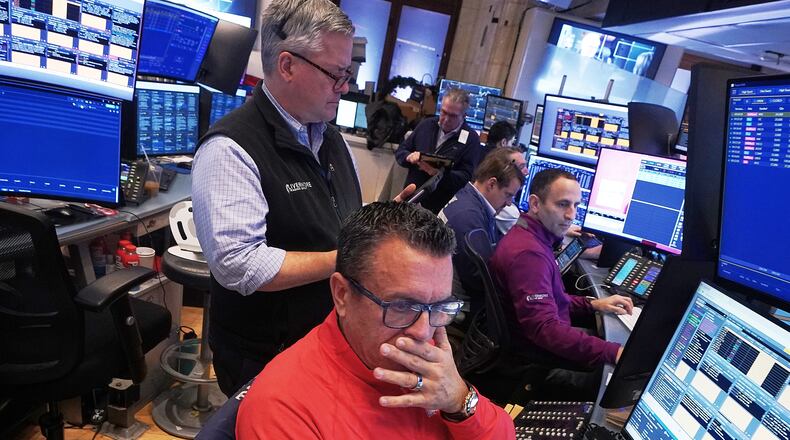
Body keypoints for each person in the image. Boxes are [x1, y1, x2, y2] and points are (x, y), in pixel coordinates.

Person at [191, 0, 369, 397]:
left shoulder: (332, 140)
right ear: (287, 66)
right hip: (265, 357)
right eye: (336, 74)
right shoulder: (231, 148)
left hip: (322, 344)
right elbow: (240, 265)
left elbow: (334, 222)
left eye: (348, 74)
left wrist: (377, 228)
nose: (346, 87)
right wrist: (347, 261)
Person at [236, 202, 516, 439]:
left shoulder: (431, 365)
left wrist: (459, 401)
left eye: (439, 306)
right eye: (402, 306)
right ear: (342, 294)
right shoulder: (282, 408)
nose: (423, 332)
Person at [489, 169, 633, 394]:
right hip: (537, 363)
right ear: (535, 204)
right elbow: (546, 330)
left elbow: (550, 299)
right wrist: (615, 352)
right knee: (618, 381)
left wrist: (592, 304)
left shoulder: (529, 237)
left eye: (576, 205)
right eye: (563, 204)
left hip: (532, 347)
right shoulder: (529, 256)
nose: (571, 215)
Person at [438, 147, 525, 312]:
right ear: (491, 184)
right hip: (461, 306)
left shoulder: (469, 198)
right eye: (508, 195)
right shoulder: (469, 219)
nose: (508, 203)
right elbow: (481, 281)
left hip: (454, 294)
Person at [395, 89, 483, 214]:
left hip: (440, 208)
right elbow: (401, 151)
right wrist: (409, 157)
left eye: (452, 116)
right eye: (443, 112)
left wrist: (439, 174)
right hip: (411, 198)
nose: (446, 119)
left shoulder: (471, 139)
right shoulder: (426, 125)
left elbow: (466, 178)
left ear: (464, 116)